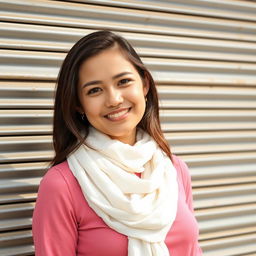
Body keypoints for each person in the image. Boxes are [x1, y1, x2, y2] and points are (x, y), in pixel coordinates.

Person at [32, 30, 202, 256]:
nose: (114, 99)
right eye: (94, 90)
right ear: (78, 104)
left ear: (144, 85)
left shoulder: (174, 170)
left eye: (123, 81)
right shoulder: (62, 185)